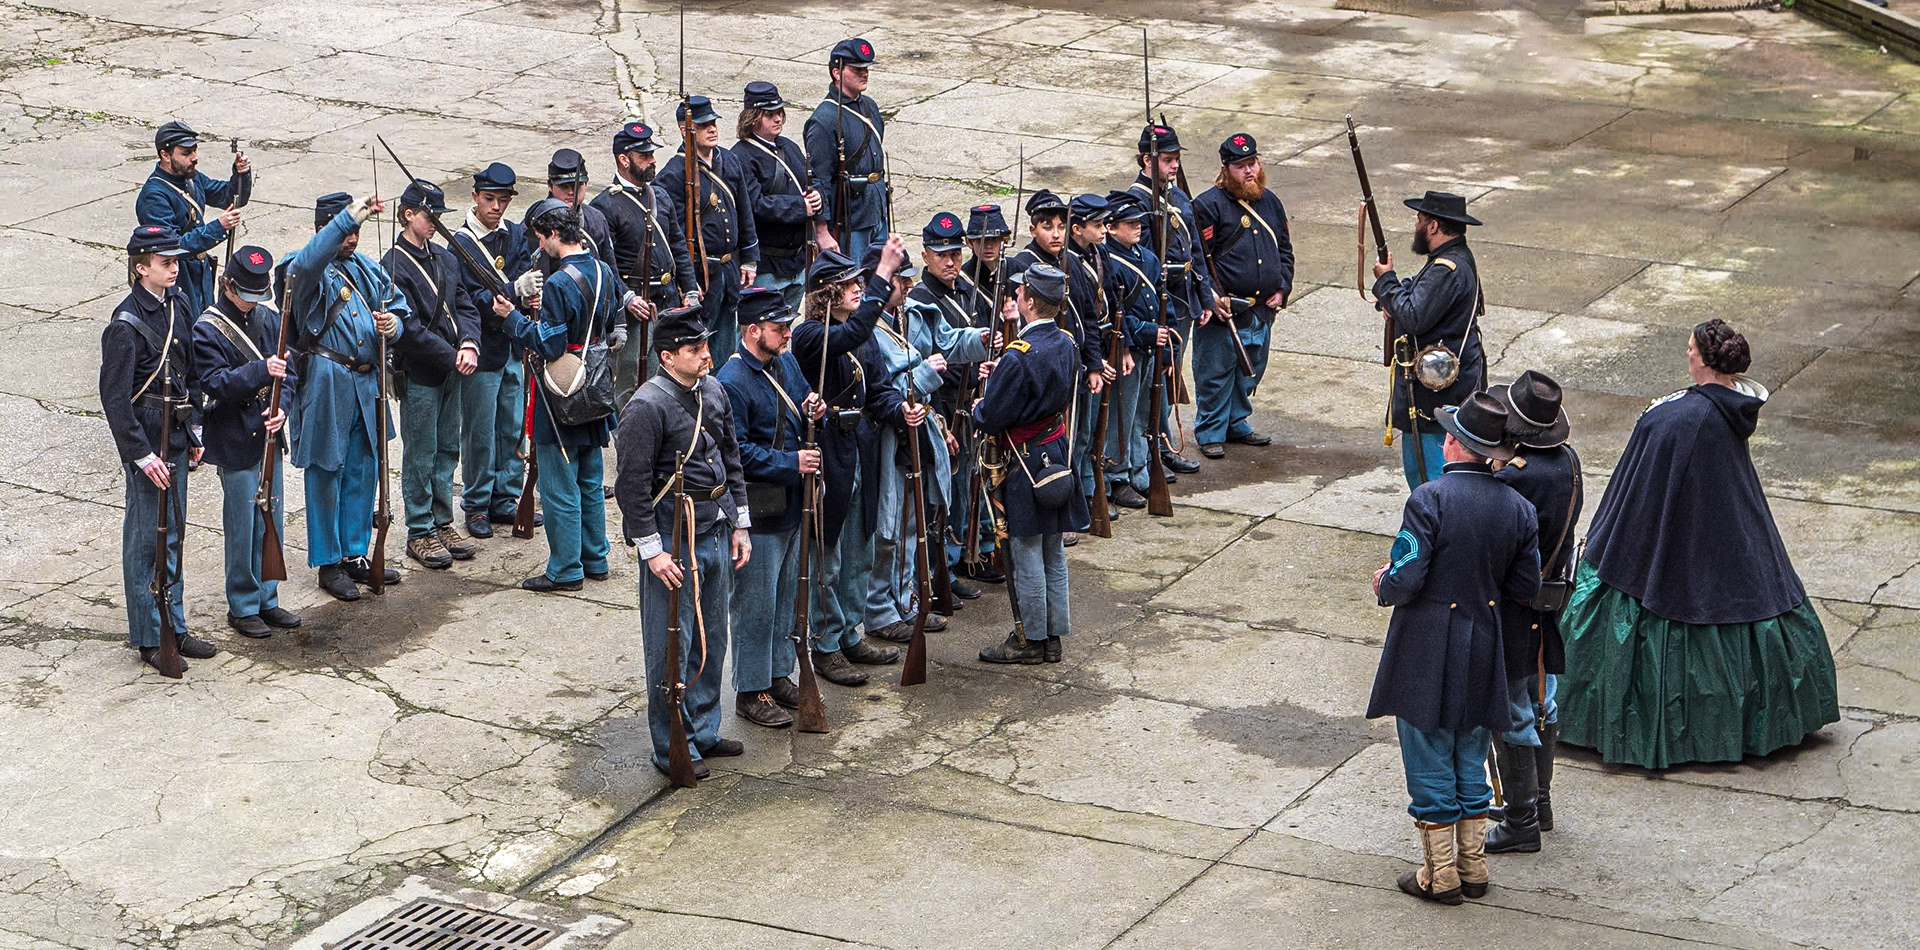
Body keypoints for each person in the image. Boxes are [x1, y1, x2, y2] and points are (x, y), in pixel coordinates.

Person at [1560, 320, 1840, 769]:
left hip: (1674, 531)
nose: (1686, 355)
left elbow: (1644, 486)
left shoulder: (1678, 419)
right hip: (1726, 524)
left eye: (1690, 349)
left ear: (1705, 360)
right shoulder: (1733, 408)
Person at [1367, 392, 1539, 906]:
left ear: (1458, 445)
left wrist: (1383, 583)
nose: (1442, 440)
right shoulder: (1520, 507)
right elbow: (1525, 583)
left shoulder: (1429, 498)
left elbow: (1407, 574)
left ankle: (1439, 876)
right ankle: (1474, 869)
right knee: (1470, 750)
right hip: (1486, 645)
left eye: (1449, 434)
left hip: (1426, 645)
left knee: (1427, 753)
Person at [615, 305, 752, 779]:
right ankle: (672, 742)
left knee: (713, 638)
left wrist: (740, 522)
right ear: (668, 357)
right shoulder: (645, 406)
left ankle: (705, 729)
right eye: (695, 350)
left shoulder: (713, 390)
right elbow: (631, 485)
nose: (706, 356)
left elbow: (729, 456)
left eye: (706, 346)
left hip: (714, 527)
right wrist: (652, 551)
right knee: (671, 645)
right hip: (673, 535)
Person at [789, 242, 911, 685]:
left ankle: (848, 634)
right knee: (829, 556)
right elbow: (852, 335)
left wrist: (901, 412)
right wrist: (883, 273)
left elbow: (878, 390)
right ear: (826, 293)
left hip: (860, 448)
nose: (859, 289)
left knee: (859, 552)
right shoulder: (810, 335)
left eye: (861, 282)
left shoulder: (863, 335)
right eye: (850, 285)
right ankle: (824, 644)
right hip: (829, 454)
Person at [103, 225, 216, 672]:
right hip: (147, 437)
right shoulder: (125, 324)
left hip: (176, 431)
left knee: (175, 536)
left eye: (175, 262)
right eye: (166, 263)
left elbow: (188, 372)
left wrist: (194, 432)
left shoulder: (179, 304)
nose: (174, 269)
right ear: (141, 267)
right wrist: (140, 454)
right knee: (146, 540)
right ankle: (150, 635)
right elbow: (114, 398)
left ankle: (175, 625)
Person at [286, 192, 406, 600]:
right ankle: (328, 561)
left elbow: (399, 305)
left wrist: (394, 326)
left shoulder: (365, 269)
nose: (351, 238)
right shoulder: (302, 266)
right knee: (326, 470)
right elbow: (306, 265)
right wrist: (343, 221)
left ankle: (355, 553)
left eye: (355, 230)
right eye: (343, 230)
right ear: (323, 229)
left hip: (366, 380)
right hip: (327, 379)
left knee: (363, 467)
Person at [1484, 370, 1581, 854]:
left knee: (1515, 708)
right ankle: (1538, 804)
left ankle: (1520, 821)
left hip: (1515, 604)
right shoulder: (1569, 462)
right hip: (1550, 598)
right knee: (1545, 700)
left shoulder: (1517, 477)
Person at [973, 264, 1089, 664]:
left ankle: (1030, 640)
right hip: (1054, 453)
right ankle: (1053, 635)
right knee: (1053, 550)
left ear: (1029, 300)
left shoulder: (1018, 355)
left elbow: (991, 417)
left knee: (1025, 553)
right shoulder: (1067, 343)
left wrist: (980, 404)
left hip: (1023, 461)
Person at [717, 287, 821, 728]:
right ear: (752, 329)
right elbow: (735, 452)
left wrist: (814, 406)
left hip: (794, 501)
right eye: (779, 329)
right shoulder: (731, 381)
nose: (786, 335)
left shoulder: (784, 360)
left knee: (784, 601)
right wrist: (790, 462)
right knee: (755, 605)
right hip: (759, 508)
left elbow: (800, 399)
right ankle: (751, 689)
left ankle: (779, 674)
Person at [506, 201, 619, 592]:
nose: (540, 247)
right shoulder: (603, 270)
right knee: (589, 478)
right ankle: (596, 558)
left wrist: (514, 319)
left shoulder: (557, 283)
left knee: (558, 487)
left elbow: (550, 345)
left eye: (541, 238)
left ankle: (566, 568)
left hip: (562, 391)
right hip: (596, 383)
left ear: (554, 234)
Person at [191, 244, 301, 640]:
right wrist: (260, 370)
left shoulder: (270, 320)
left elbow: (289, 373)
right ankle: (242, 604)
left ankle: (267, 598)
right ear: (227, 284)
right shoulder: (207, 328)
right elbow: (215, 382)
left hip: (269, 433)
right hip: (235, 436)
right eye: (246, 295)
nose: (253, 304)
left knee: (271, 521)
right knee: (243, 527)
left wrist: (283, 408)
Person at [383, 179, 483, 570]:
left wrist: (470, 343)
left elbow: (465, 305)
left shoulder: (445, 257)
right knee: (421, 454)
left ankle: (442, 520)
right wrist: (452, 355)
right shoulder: (392, 265)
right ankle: (420, 529)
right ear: (409, 215)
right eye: (430, 216)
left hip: (455, 366)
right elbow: (408, 330)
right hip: (423, 371)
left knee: (447, 450)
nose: (436, 223)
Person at [905, 211, 996, 604]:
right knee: (937, 496)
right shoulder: (921, 301)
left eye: (955, 253)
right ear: (925, 255)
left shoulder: (965, 291)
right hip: (940, 406)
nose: (950, 261)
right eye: (941, 254)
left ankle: (954, 562)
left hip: (969, 402)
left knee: (963, 487)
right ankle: (931, 572)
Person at [1371, 190, 1485, 489]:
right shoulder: (1450, 260)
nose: (1417, 226)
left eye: (1421, 220)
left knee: (1429, 481)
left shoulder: (1447, 268)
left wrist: (1386, 280)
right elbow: (1419, 293)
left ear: (1433, 226)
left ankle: (1435, 531)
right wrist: (1392, 292)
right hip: (1446, 389)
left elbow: (1413, 316)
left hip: (1435, 397)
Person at [450, 163, 539, 540]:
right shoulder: (460, 245)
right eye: (490, 199)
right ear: (475, 197)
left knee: (512, 428)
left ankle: (506, 496)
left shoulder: (515, 234)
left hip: (512, 347)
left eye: (503, 200)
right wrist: (511, 291)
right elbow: (466, 300)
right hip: (483, 350)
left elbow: (524, 270)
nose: (496, 207)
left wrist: (528, 293)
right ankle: (476, 504)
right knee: (480, 433)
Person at [1192, 133, 1292, 460]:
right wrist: (1210, 297)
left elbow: (1285, 251)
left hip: (1261, 309)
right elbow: (1197, 259)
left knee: (1251, 370)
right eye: (1241, 166)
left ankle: (1236, 422)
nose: (1249, 171)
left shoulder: (1270, 202)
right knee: (1215, 373)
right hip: (1226, 310)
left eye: (1253, 163)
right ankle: (1210, 431)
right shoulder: (1207, 206)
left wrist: (1283, 287)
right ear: (1225, 169)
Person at [593, 121, 699, 410]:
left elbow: (677, 246)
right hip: (637, 308)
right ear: (624, 160)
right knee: (629, 385)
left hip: (667, 302)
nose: (652, 161)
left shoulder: (659, 195)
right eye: (645, 156)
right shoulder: (605, 205)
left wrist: (689, 289)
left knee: (666, 381)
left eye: (652, 155)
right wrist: (626, 297)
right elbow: (606, 263)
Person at [1128, 121, 1207, 477]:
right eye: (1168, 159)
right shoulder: (1138, 204)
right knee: (1152, 381)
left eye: (1176, 159)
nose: (1174, 165)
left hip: (1183, 301)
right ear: (1148, 160)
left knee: (1168, 375)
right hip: (1159, 303)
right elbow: (1142, 266)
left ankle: (1162, 444)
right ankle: (1151, 450)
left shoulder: (1176, 196)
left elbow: (1196, 250)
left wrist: (1204, 295)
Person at [659, 95, 759, 362]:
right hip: (701, 275)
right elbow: (674, 235)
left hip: (728, 270)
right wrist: (687, 281)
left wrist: (749, 258)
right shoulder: (673, 173)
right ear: (686, 130)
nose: (712, 129)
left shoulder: (728, 160)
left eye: (713, 123)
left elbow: (744, 210)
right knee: (700, 350)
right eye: (704, 125)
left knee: (727, 346)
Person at [137, 121, 249, 316]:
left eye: (195, 150)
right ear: (165, 155)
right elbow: (171, 245)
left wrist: (241, 174)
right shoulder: (153, 196)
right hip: (176, 277)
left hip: (200, 274)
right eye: (186, 153)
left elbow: (228, 196)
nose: (194, 157)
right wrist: (219, 227)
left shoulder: (191, 178)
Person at [732, 81, 827, 310]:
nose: (778, 119)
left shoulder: (789, 147)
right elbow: (756, 205)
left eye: (779, 113)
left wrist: (818, 197)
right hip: (767, 264)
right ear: (753, 118)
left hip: (797, 261)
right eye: (770, 114)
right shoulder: (741, 156)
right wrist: (800, 207)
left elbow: (812, 180)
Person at [1100, 191, 1166, 509]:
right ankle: (1117, 476)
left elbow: (1158, 303)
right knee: (1121, 419)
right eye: (1129, 223)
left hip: (1149, 350)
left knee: (1142, 416)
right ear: (1110, 228)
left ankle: (1139, 469)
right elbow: (1119, 314)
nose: (1137, 227)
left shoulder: (1147, 258)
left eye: (1138, 221)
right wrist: (1151, 333)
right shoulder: (1109, 262)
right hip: (1131, 347)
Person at [1062, 194, 1119, 526]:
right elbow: (1081, 317)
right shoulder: (1068, 262)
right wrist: (1092, 362)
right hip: (1084, 353)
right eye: (1097, 225)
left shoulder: (1099, 253)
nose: (1103, 231)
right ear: (1078, 228)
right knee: (1076, 435)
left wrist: (1112, 351)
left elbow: (1109, 297)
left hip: (1101, 345)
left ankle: (1087, 490)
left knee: (1088, 435)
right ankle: (1077, 496)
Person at [805, 37, 888, 260]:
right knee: (855, 284)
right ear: (837, 72)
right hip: (850, 217)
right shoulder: (824, 119)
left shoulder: (869, 106)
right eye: (856, 68)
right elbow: (818, 180)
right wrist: (822, 231)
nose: (864, 73)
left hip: (877, 209)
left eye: (866, 68)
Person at [544, 148, 617, 267]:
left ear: (586, 184)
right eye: (564, 186)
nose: (571, 192)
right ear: (550, 186)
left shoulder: (596, 219)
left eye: (577, 185)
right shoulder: (538, 224)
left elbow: (610, 266)